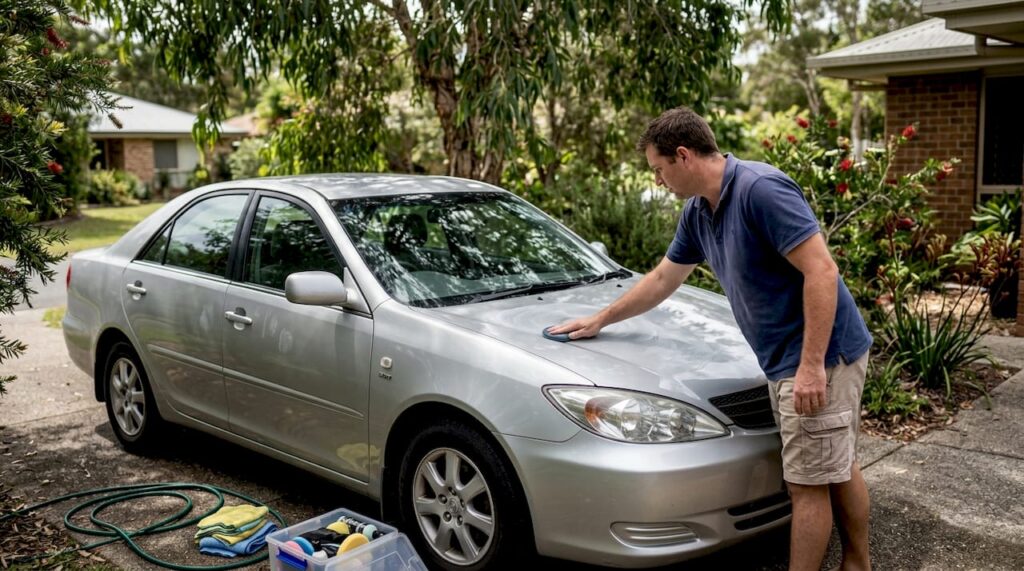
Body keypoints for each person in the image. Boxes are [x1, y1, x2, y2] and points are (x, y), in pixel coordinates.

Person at [548, 107, 873, 571]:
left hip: (820, 354)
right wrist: (601, 318)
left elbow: (821, 271)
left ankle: (856, 563)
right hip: (786, 356)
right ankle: (858, 564)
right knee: (833, 463)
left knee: (808, 485)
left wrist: (810, 365)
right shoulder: (699, 211)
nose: (658, 180)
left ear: (682, 156)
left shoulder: (760, 190)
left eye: (658, 169)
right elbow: (663, 278)